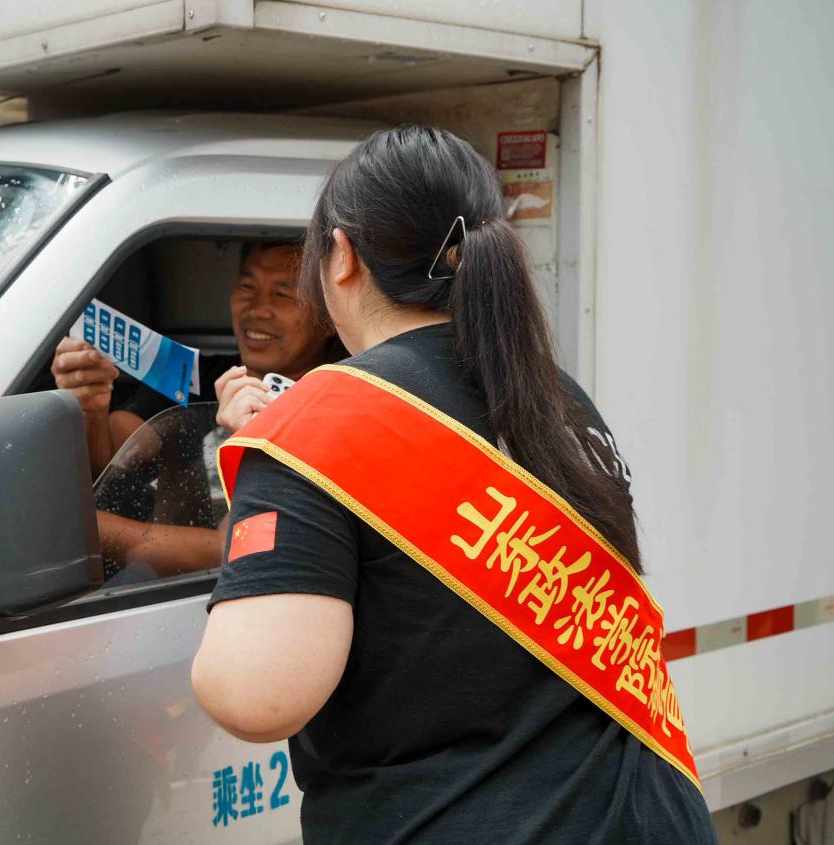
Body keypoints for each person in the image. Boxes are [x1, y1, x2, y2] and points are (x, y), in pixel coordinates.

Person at [192, 126, 717, 843]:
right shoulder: (558, 396)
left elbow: (256, 696)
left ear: (341, 256)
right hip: (647, 819)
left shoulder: (317, 424)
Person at [51, 242, 339, 576]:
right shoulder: (194, 375)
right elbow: (115, 456)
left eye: (283, 294)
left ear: (329, 317)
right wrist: (89, 408)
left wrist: (69, 525)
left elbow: (230, 548)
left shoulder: (338, 401)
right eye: (247, 286)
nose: (257, 310)